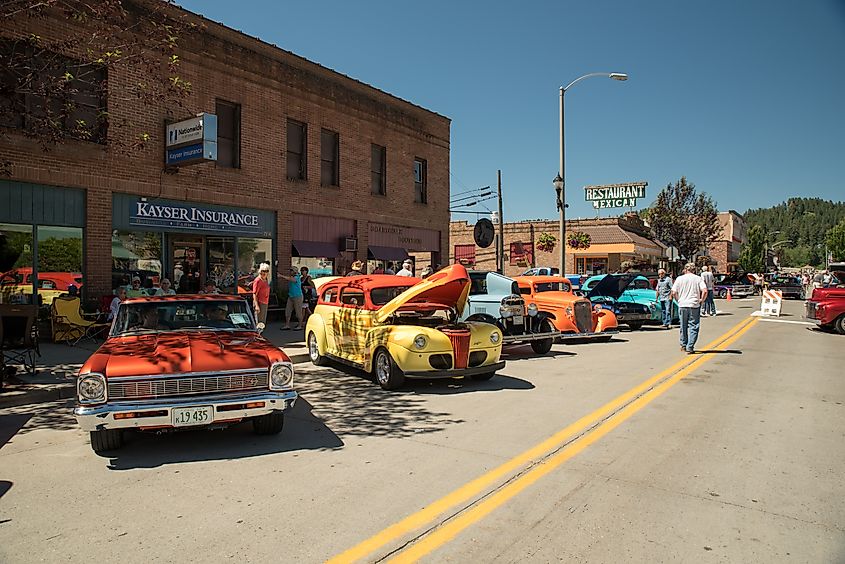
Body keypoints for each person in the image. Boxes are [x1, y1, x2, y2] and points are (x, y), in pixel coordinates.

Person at [671, 263, 708, 354]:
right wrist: (701, 300)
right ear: (694, 270)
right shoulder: (698, 279)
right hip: (694, 304)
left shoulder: (680, 279)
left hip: (683, 304)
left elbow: (673, 291)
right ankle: (690, 346)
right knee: (694, 326)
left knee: (683, 325)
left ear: (685, 269)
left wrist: (678, 300)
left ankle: (683, 344)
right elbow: (705, 290)